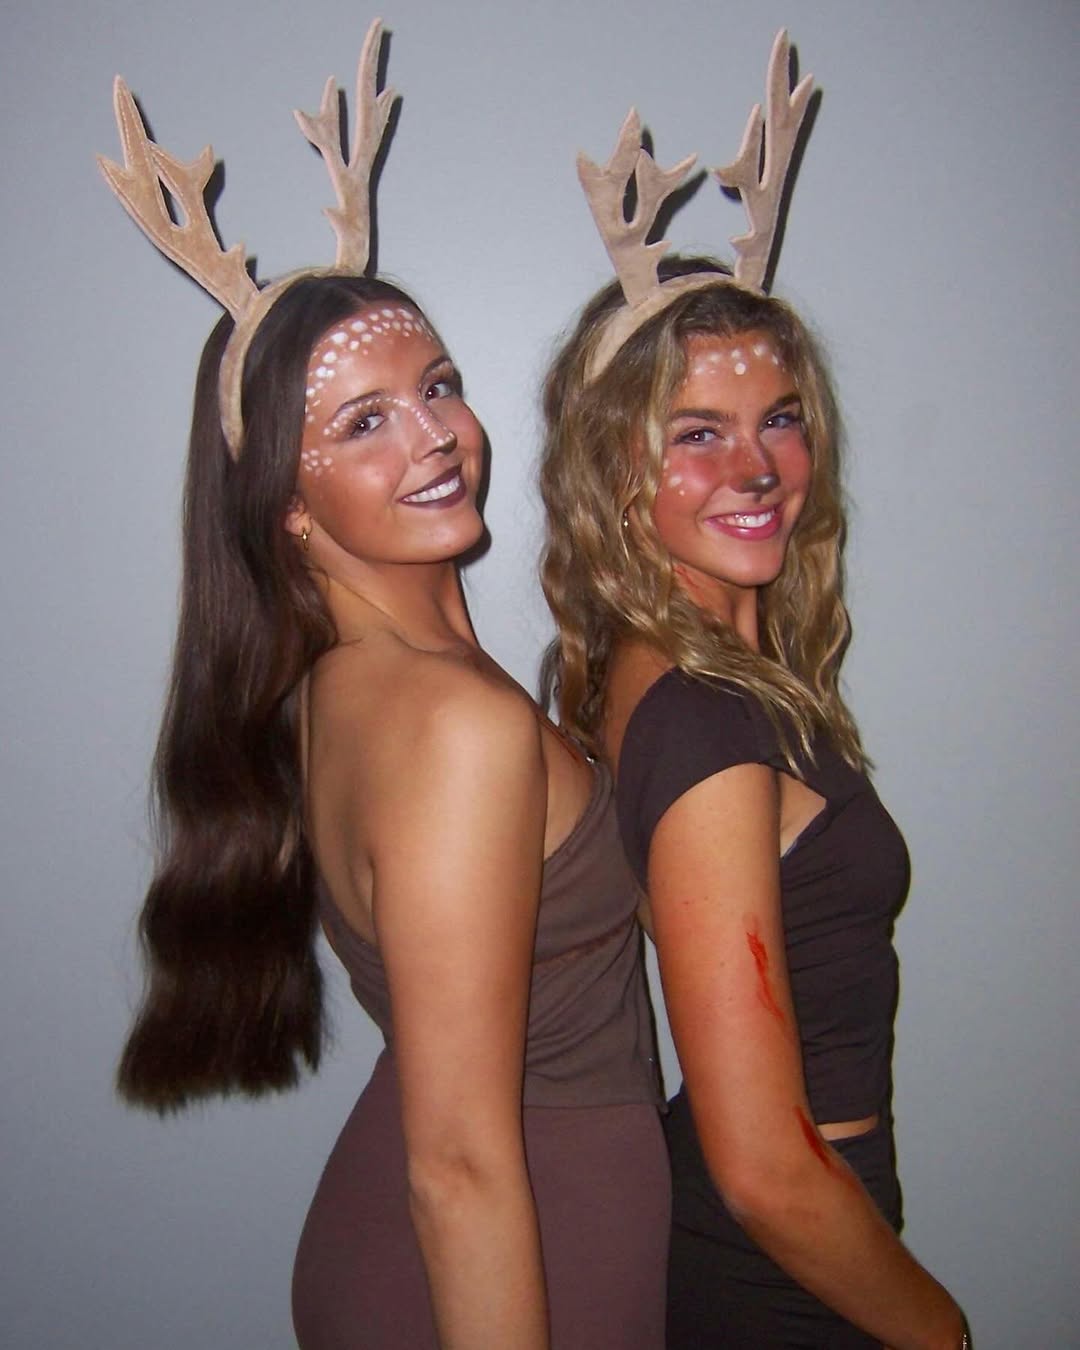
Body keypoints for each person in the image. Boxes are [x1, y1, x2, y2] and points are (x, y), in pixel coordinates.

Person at [104, 25, 667, 1350]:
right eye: (364, 421)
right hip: (515, 1255)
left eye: (440, 387)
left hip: (462, 1234)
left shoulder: (347, 683)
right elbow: (458, 1167)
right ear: (288, 505)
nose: (439, 436)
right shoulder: (453, 723)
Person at [539, 254, 970, 1348]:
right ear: (614, 467)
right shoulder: (706, 724)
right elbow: (766, 1173)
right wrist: (942, 1333)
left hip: (800, 1235)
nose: (757, 467)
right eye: (697, 433)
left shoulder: (672, 671)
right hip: (784, 1269)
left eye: (779, 419)